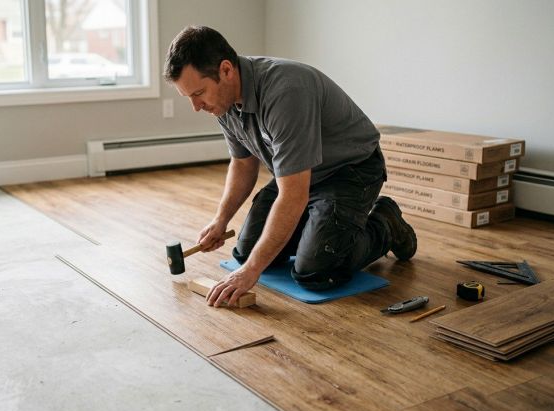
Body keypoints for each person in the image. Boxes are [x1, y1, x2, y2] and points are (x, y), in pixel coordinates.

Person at [163, 25, 417, 308]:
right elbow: (243, 164)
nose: (196, 106)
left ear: (226, 70)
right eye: (189, 97)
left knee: (315, 272)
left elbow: (293, 195)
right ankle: (320, 228)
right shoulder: (223, 101)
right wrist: (220, 220)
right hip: (300, 174)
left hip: (350, 170)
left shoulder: (286, 92)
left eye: (199, 93)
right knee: (247, 253)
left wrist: (250, 272)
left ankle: (385, 223)